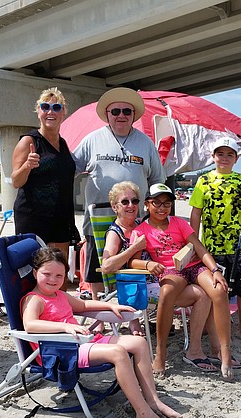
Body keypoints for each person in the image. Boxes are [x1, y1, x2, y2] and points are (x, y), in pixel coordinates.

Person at [22, 247, 182, 418]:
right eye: (47, 274)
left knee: (139, 342)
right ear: (35, 273)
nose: (53, 280)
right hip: (63, 352)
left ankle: (153, 401)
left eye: (59, 276)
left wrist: (110, 307)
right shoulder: (34, 299)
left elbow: (83, 304)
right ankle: (143, 413)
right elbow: (30, 325)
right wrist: (65, 326)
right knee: (118, 352)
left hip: (82, 342)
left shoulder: (59, 294)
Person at [101, 182, 214, 372]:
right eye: (125, 202)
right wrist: (134, 249)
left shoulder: (142, 224)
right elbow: (106, 266)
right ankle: (170, 354)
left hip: (164, 277)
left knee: (205, 293)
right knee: (198, 294)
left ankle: (195, 350)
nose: (131, 205)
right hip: (141, 285)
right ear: (115, 207)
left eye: (134, 200)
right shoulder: (115, 232)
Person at [131, 183, 234, 379]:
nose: (162, 208)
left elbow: (199, 248)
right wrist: (148, 265)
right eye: (157, 203)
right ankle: (161, 352)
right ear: (147, 204)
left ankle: (225, 351)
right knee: (167, 292)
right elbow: (132, 260)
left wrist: (215, 270)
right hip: (170, 269)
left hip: (193, 265)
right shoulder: (141, 230)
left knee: (219, 290)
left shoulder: (179, 223)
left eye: (167, 204)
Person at [73, 87, 166, 302]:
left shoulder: (145, 143)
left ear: (134, 116)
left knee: (135, 264)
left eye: (126, 111)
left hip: (135, 218)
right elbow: (70, 169)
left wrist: (159, 216)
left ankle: (134, 309)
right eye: (115, 112)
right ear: (107, 115)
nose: (121, 115)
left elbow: (158, 181)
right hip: (98, 217)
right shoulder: (92, 140)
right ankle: (98, 309)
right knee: (96, 268)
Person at [189, 137, 241, 343]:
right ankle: (209, 325)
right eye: (220, 154)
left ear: (236, 159)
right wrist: (193, 242)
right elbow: (196, 213)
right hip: (211, 246)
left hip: (238, 245)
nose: (225, 158)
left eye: (230, 155)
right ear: (213, 157)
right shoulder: (204, 181)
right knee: (215, 289)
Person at [12, 88, 76, 263]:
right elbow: (16, 181)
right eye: (45, 106)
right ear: (38, 111)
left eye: (56, 107)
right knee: (34, 268)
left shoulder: (63, 143)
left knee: (59, 268)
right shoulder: (28, 141)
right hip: (33, 217)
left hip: (60, 216)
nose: (50, 112)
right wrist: (27, 166)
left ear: (63, 113)